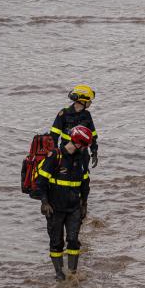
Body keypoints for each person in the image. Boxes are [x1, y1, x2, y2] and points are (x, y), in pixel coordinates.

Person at [36, 125, 93, 280]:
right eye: (84, 145)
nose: (85, 149)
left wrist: (84, 204)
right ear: (78, 142)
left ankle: (73, 274)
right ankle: (59, 273)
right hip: (54, 208)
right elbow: (40, 182)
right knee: (56, 242)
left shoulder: (81, 159)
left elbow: (85, 184)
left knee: (73, 240)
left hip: (74, 208)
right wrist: (44, 202)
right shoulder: (56, 156)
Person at [50, 84, 98, 217]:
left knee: (84, 179)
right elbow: (53, 135)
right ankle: (60, 202)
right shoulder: (63, 113)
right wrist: (54, 154)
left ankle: (83, 203)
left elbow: (92, 136)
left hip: (82, 154)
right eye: (89, 100)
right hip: (66, 153)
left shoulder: (87, 116)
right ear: (81, 100)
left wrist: (94, 152)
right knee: (62, 178)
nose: (90, 103)